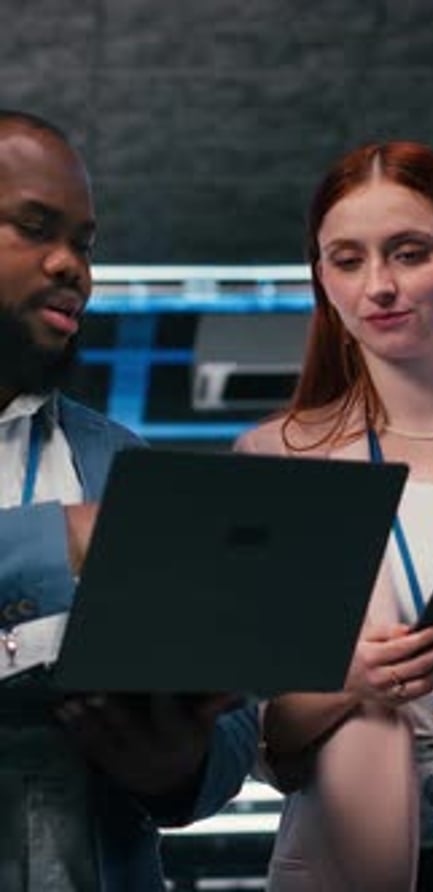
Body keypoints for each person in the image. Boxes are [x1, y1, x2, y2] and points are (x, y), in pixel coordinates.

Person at [0, 109, 258, 892]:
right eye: (35, 227)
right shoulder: (104, 515)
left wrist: (181, 766)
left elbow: (236, 721)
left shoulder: (122, 463)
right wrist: (67, 540)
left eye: (83, 243)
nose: (71, 265)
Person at [236, 140, 433, 891]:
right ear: (323, 280)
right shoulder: (274, 459)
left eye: (409, 252)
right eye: (347, 260)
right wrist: (346, 680)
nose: (378, 285)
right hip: (347, 862)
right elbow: (250, 735)